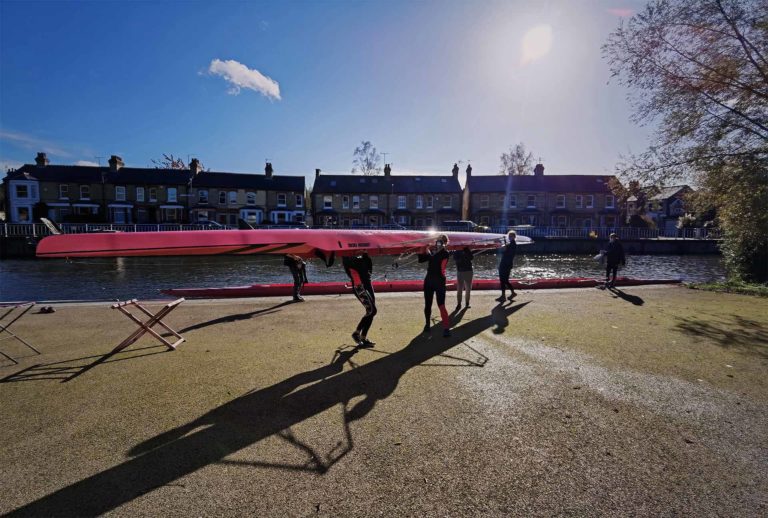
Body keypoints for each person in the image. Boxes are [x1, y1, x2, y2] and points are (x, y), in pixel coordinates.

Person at [418, 234, 451, 337]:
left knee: (441, 305)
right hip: (429, 281)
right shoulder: (433, 251)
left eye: (441, 241)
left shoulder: (445, 253)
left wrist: (428, 250)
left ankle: (446, 328)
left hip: (439, 282)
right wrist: (424, 248)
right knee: (428, 304)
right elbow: (421, 259)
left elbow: (439, 265)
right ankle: (427, 324)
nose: (439, 243)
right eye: (438, 241)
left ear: (445, 243)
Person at [342, 251, 377, 347]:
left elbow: (369, 270)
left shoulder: (364, 255)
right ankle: (356, 333)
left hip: (368, 284)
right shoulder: (347, 256)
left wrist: (365, 254)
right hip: (360, 286)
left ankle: (363, 338)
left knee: (370, 312)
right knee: (372, 311)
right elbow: (354, 269)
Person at [498, 230, 517, 301]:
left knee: (504, 280)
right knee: (503, 280)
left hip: (506, 264)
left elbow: (507, 250)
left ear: (514, 237)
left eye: (511, 236)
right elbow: (506, 249)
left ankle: (509, 294)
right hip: (505, 263)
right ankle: (504, 295)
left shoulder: (513, 244)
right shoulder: (511, 244)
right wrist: (505, 244)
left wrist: (504, 245)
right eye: (509, 236)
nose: (510, 237)